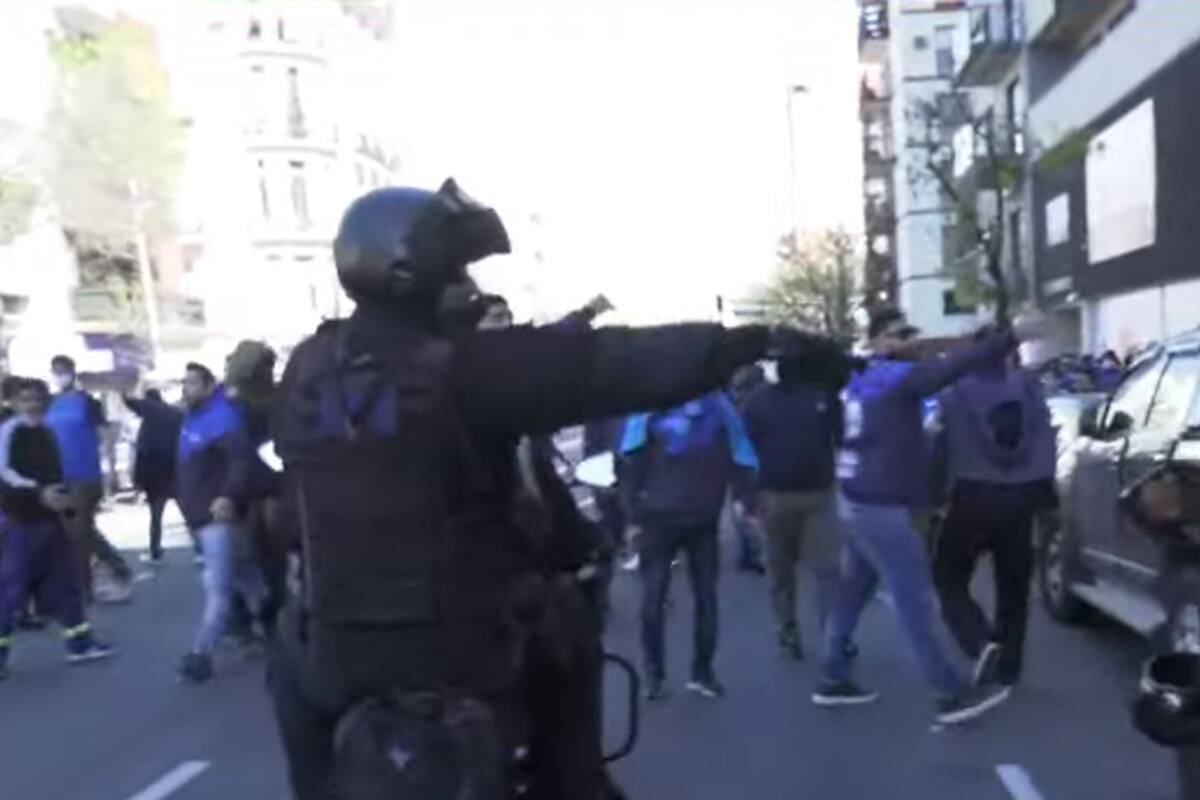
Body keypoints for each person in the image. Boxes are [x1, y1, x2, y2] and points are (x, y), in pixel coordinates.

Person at [269, 179, 850, 799]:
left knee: (293, 679)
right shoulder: (463, 369)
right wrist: (752, 342)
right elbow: (606, 365)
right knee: (563, 629)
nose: (468, 285)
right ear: (411, 273)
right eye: (456, 269)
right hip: (459, 652)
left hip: (333, 656)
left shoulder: (306, 367)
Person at [813, 307, 1045, 727]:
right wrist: (1012, 336)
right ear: (879, 340)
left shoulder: (860, 378)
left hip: (855, 496)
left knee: (853, 593)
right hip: (881, 505)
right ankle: (948, 693)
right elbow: (955, 365)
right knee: (913, 602)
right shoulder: (897, 378)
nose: (912, 339)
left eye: (911, 331)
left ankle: (831, 676)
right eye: (900, 334)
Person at [619, 391, 758, 700]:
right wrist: (746, 501)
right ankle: (702, 674)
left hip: (657, 516)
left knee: (653, 597)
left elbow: (628, 461)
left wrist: (632, 519)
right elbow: (743, 456)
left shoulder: (647, 406)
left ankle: (654, 676)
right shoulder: (719, 406)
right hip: (704, 515)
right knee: (705, 597)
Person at [933, 349, 1057, 689]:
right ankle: (1010, 666)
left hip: (971, 496)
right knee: (1014, 588)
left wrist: (934, 498)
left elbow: (941, 448)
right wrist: (1046, 498)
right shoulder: (1029, 390)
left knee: (948, 579)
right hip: (1020, 498)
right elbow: (1047, 441)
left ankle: (979, 640)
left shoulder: (955, 395)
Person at [0, 378, 116, 681]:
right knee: (11, 592)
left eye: (39, 399)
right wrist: (38, 493)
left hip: (49, 521)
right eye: (26, 399)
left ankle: (80, 643)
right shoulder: (10, 431)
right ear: (15, 403)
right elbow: (5, 475)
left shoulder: (47, 431)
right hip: (21, 523)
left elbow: (55, 473)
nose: (33, 405)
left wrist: (64, 502)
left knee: (66, 584)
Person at [742, 355, 844, 660]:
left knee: (793, 572)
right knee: (813, 571)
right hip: (801, 494)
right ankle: (819, 636)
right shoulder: (817, 395)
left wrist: (746, 498)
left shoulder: (761, 400)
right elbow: (840, 438)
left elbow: (746, 450)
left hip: (793, 495)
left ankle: (808, 635)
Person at [175, 363, 267, 684]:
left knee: (218, 587)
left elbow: (241, 462)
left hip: (218, 518)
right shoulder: (191, 420)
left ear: (209, 385)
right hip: (200, 519)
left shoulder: (223, 419)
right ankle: (277, 624)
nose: (185, 388)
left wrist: (227, 496)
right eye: (184, 382)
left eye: (192, 383)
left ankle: (201, 653)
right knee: (249, 579)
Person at [46, 355, 133, 603]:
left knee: (78, 531)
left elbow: (105, 436)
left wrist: (112, 470)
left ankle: (83, 589)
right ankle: (116, 565)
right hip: (60, 477)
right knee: (77, 530)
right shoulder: (49, 403)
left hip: (86, 476)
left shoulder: (87, 402)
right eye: (56, 371)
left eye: (63, 370)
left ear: (73, 372)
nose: (60, 375)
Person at [123, 389, 184, 564]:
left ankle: (155, 549)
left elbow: (131, 402)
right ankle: (201, 547)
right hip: (173, 467)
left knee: (156, 514)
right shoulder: (176, 414)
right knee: (186, 507)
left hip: (153, 470)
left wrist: (122, 391)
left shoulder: (150, 409)